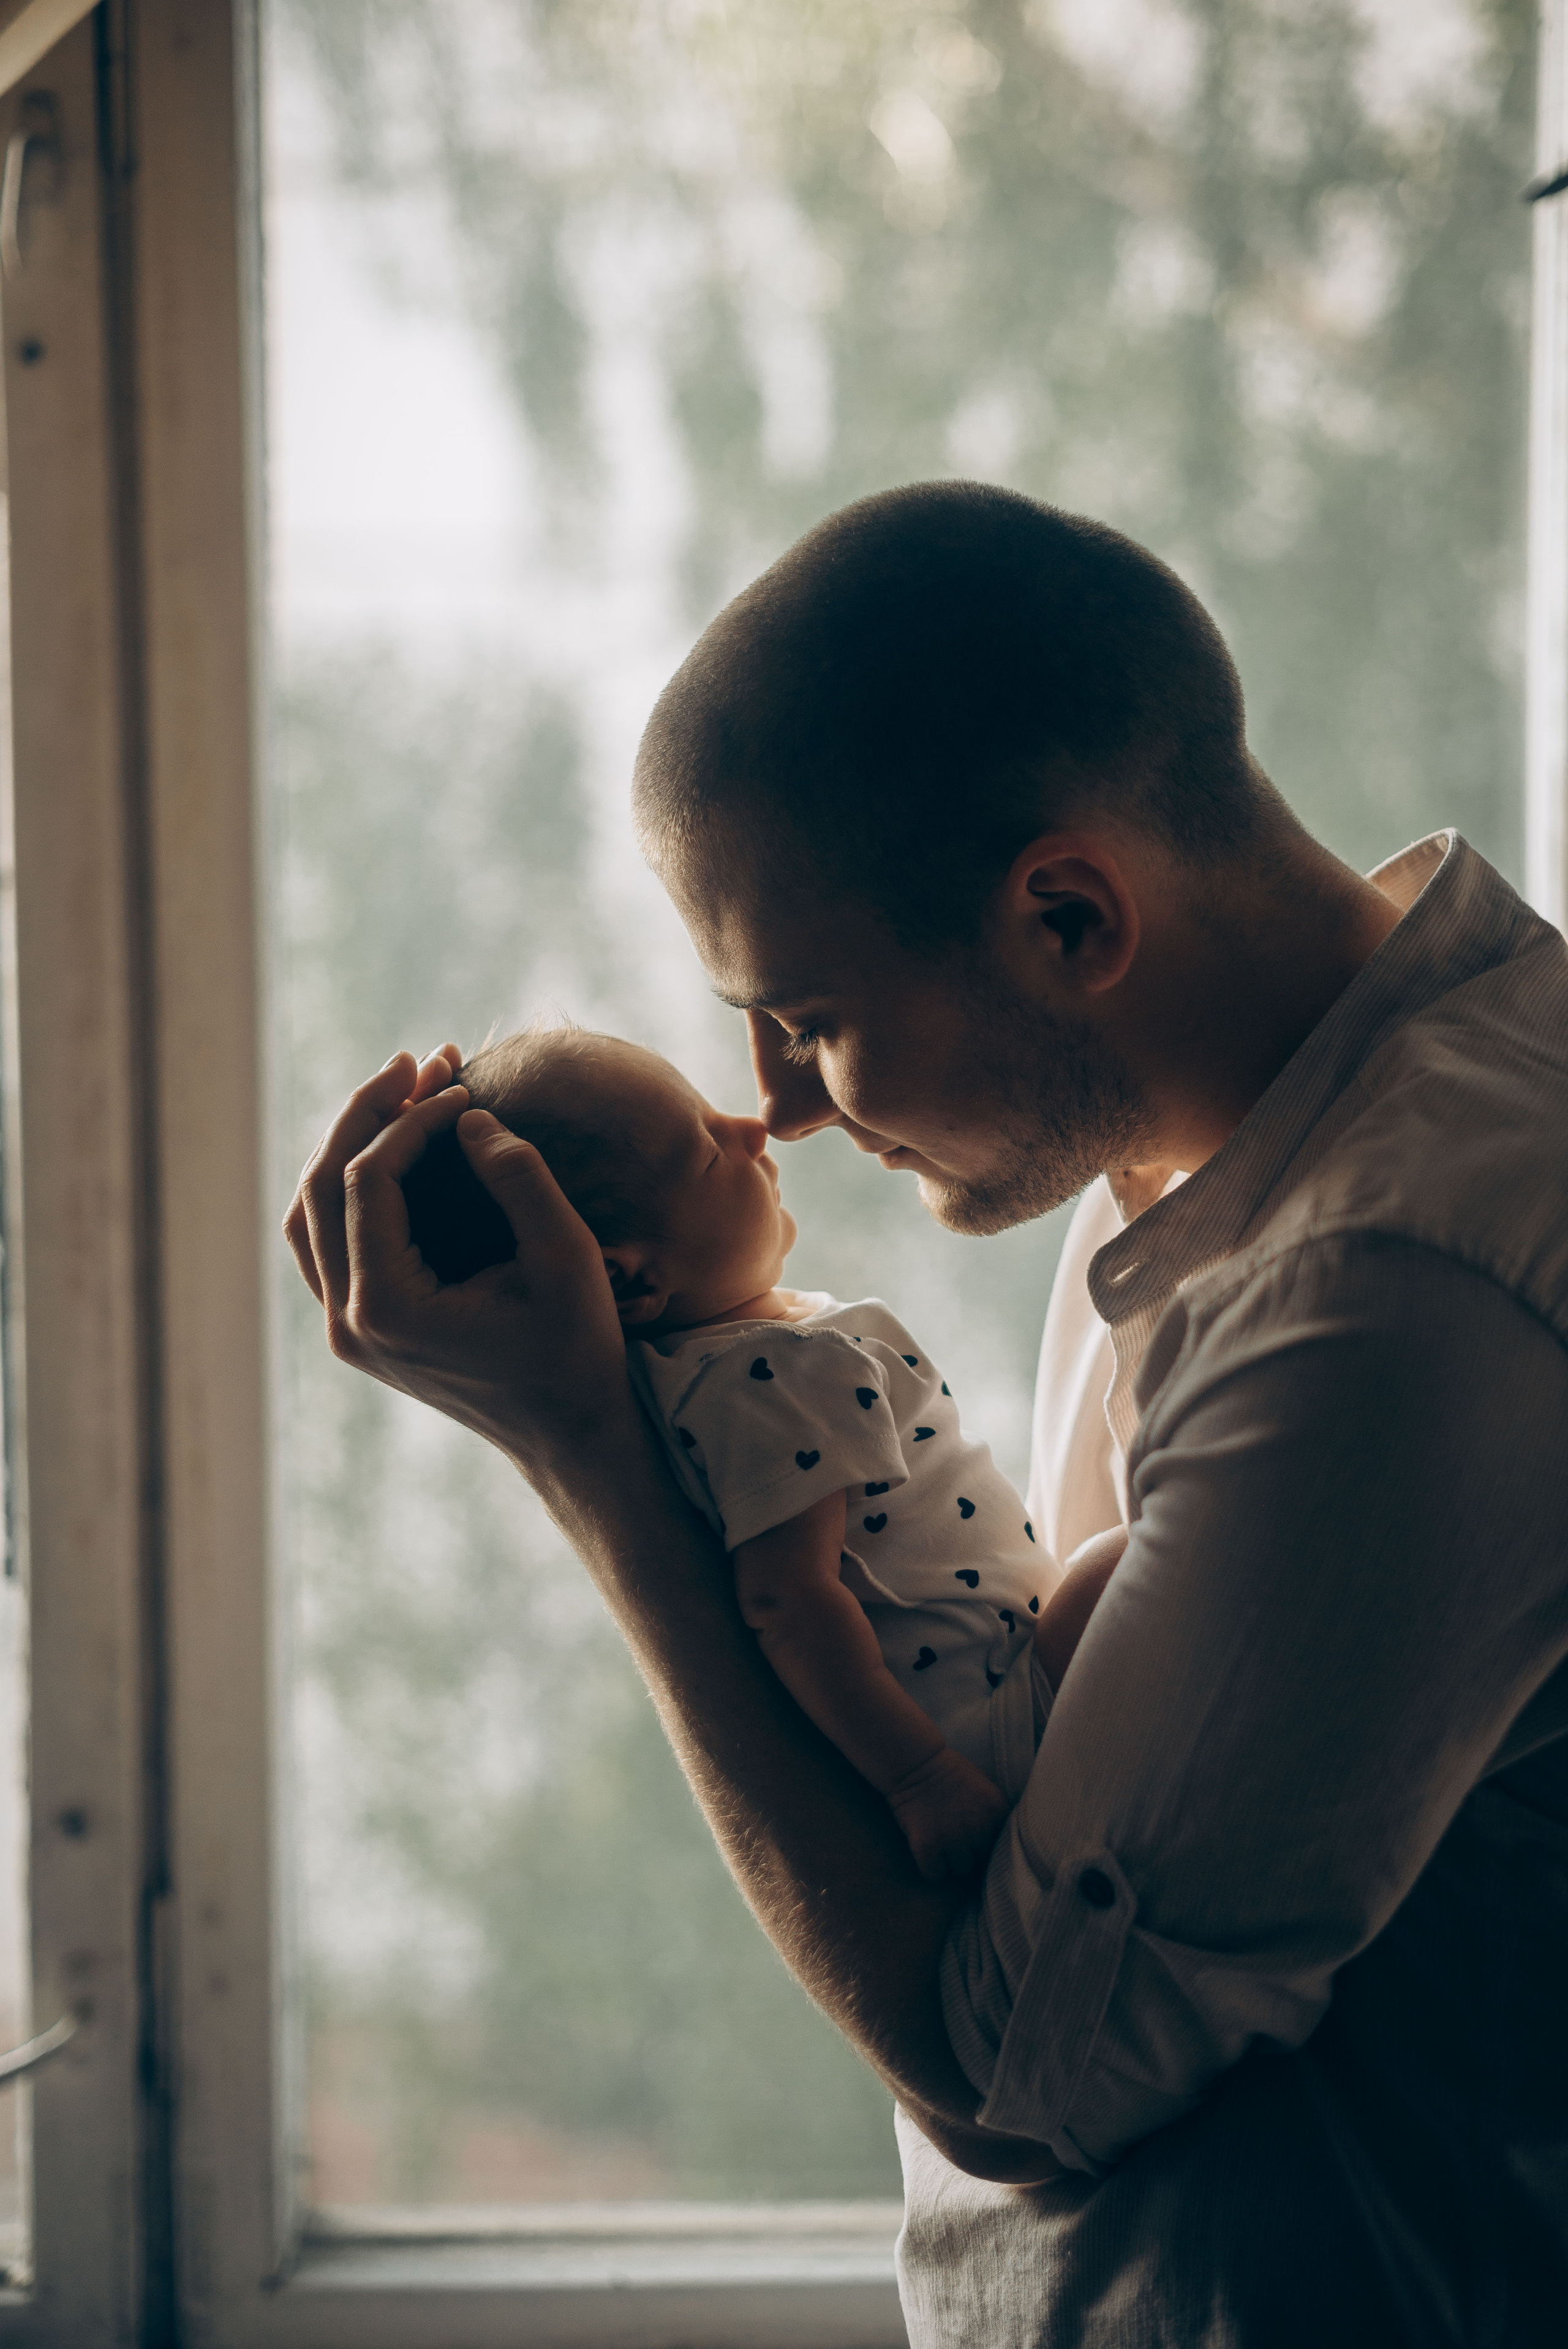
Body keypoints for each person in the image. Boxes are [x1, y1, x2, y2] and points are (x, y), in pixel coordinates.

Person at [287, 482, 1568, 2347]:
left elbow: (1024, 2071)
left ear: (1066, 912)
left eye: (806, 1015)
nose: (782, 1107)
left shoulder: (1388, 1294)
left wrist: (595, 1464)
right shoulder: (1227, 1127)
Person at [400, 1018, 1109, 1883]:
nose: (749, 1129)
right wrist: (921, 1779)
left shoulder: (684, 1378)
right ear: (632, 1279)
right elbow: (789, 1600)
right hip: (984, 1720)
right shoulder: (773, 1376)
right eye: (705, 1146)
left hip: (981, 1696)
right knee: (1117, 1564)